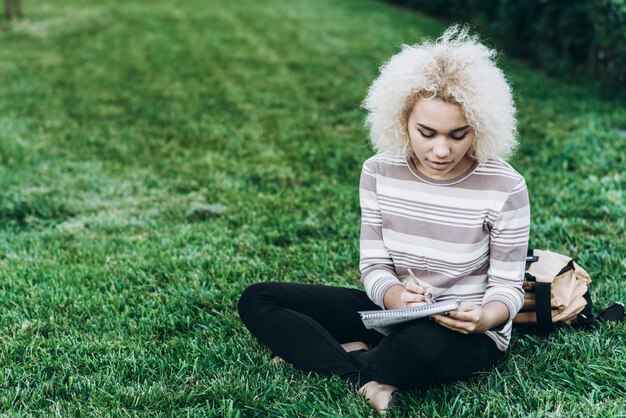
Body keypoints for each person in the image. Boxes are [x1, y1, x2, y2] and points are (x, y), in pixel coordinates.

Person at [238, 25, 530, 413]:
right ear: (402, 120)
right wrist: (395, 296)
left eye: (458, 135)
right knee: (258, 298)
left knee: (417, 349)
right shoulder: (379, 171)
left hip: (465, 331)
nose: (440, 150)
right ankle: (366, 371)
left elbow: (507, 288)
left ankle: (321, 357)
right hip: (393, 313)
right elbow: (374, 266)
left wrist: (482, 319)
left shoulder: (505, 186)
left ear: (479, 126)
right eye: (426, 133)